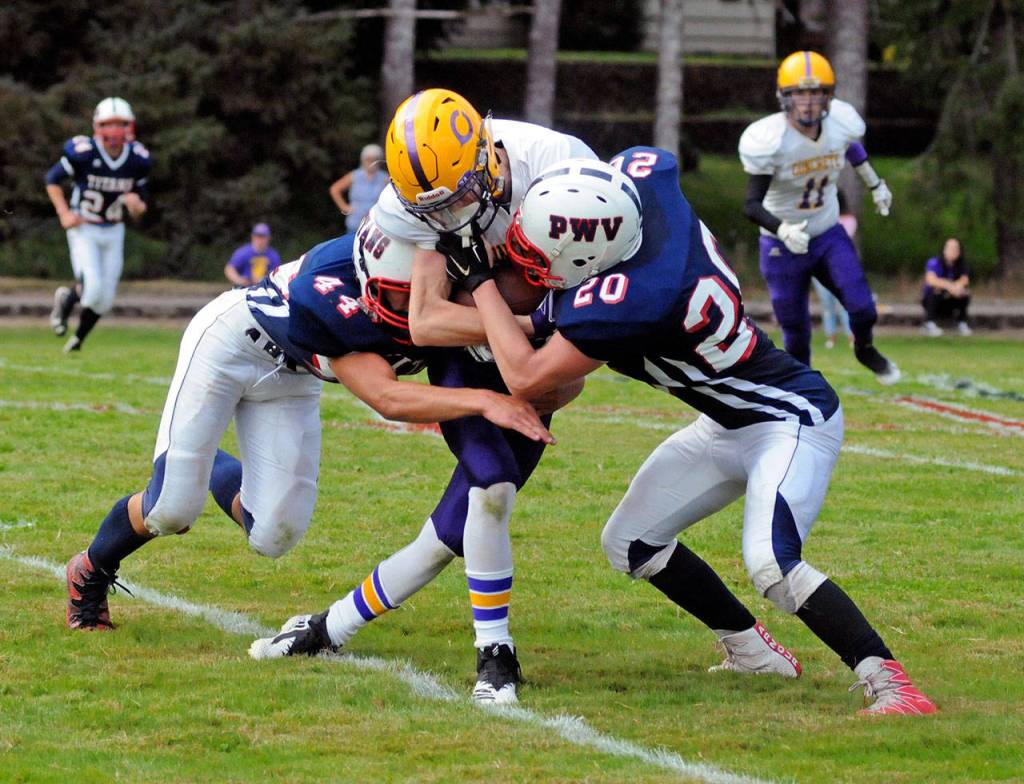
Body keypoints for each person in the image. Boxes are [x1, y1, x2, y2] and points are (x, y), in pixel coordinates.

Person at [448, 150, 937, 716]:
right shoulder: (643, 193)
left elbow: (526, 376)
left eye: (538, 257)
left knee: (772, 565)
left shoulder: (633, 298)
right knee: (630, 542)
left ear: (588, 254)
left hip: (789, 419)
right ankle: (753, 652)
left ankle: (892, 682)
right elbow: (634, 168)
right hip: (725, 421)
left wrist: (481, 283)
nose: (527, 263)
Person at [64, 220, 551, 655]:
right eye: (396, 295)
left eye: (419, 293)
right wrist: (487, 401)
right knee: (170, 509)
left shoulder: (436, 276)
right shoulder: (331, 296)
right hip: (233, 342)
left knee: (273, 535)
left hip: (292, 375)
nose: (410, 307)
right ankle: (90, 568)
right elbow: (387, 397)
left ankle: (202, 462)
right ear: (368, 280)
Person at [738, 51, 900, 384]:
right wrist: (782, 229)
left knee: (863, 308)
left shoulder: (840, 124)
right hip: (782, 244)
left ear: (828, 96)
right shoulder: (771, 140)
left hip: (827, 233)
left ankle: (864, 348)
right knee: (796, 332)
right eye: (800, 93)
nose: (808, 102)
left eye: (816, 93)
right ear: (785, 96)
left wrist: (875, 183)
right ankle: (805, 391)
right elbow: (751, 204)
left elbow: (848, 147)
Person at [46, 97, 151, 353]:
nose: (115, 131)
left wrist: (136, 205)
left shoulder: (138, 159)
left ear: (130, 127)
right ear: (97, 126)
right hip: (85, 227)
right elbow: (52, 180)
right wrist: (63, 213)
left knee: (105, 299)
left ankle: (77, 339)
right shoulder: (83, 153)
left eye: (120, 125)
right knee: (92, 289)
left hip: (114, 230)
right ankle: (69, 299)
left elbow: (140, 208)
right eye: (109, 124)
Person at [813, 189, 855, 349]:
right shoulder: (819, 219)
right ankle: (831, 337)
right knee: (827, 304)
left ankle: (852, 336)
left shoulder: (847, 220)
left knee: (843, 303)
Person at [329, 144, 390, 233]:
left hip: (376, 226)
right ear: (363, 159)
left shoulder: (384, 178)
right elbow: (335, 189)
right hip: (355, 223)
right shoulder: (355, 175)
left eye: (375, 159)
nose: (371, 162)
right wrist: (344, 207)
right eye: (368, 159)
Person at [922, 238, 971, 337]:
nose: (954, 251)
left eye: (956, 248)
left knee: (964, 293)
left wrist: (956, 288)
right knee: (936, 292)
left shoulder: (961, 264)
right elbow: (931, 280)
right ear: (944, 250)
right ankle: (929, 323)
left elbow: (964, 280)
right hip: (934, 299)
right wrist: (950, 286)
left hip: (952, 298)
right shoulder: (934, 262)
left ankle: (962, 322)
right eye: (951, 248)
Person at [224, 223, 282, 287]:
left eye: (263, 237)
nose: (260, 240)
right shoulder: (243, 252)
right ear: (252, 237)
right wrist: (239, 280)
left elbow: (276, 275)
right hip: (244, 289)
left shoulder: (273, 256)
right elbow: (230, 268)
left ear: (268, 238)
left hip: (264, 288)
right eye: (258, 236)